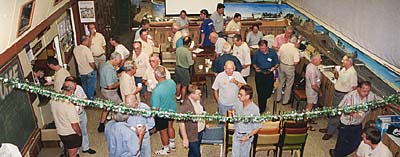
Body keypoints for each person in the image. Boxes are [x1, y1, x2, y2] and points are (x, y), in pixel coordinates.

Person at [331, 81, 381, 157]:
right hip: (346, 124)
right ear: (358, 89)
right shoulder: (349, 96)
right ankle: (337, 154)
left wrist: (396, 106)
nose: (366, 93)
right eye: (364, 91)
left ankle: (339, 153)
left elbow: (383, 101)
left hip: (358, 124)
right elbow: (340, 109)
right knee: (341, 143)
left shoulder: (371, 95)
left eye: (368, 91)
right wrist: (352, 113)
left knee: (356, 143)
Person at [320, 55, 358, 140]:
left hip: (343, 95)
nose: (342, 61)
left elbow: (354, 88)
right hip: (337, 92)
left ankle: (330, 132)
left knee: (336, 113)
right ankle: (328, 128)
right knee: (332, 111)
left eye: (344, 60)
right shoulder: (344, 69)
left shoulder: (352, 73)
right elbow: (338, 78)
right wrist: (336, 73)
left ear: (349, 62)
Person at [64, 76, 96, 154]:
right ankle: (76, 152)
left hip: (81, 113)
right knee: (75, 134)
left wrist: (83, 103)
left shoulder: (79, 88)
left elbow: (85, 98)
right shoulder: (64, 93)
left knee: (84, 131)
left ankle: (86, 147)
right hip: (72, 117)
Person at [50, 80, 81, 157]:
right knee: (72, 154)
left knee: (68, 150)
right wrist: (79, 133)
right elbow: (74, 125)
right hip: (71, 134)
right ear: (71, 90)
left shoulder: (54, 99)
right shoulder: (69, 105)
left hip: (61, 131)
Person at [150, 66, 177, 155]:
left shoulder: (156, 91)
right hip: (172, 109)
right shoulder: (172, 82)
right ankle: (172, 144)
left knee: (163, 131)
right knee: (170, 126)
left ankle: (166, 148)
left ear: (156, 76)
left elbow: (155, 108)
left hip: (162, 114)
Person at [232, 85, 261, 157]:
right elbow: (233, 109)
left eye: (241, 95)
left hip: (246, 137)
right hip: (236, 134)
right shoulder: (238, 102)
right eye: (239, 94)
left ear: (247, 97)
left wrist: (247, 136)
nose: (238, 96)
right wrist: (232, 113)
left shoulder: (254, 109)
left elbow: (257, 127)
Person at [178, 85, 206, 157]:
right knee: (197, 154)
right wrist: (185, 138)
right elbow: (181, 123)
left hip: (199, 131)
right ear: (191, 94)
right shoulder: (185, 106)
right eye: (198, 94)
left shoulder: (198, 100)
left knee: (192, 152)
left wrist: (205, 123)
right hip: (191, 134)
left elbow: (203, 112)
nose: (200, 95)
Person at [98, 52, 123, 132]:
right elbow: (110, 85)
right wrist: (120, 82)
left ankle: (101, 125)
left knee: (107, 108)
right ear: (115, 60)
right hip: (110, 92)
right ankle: (117, 126)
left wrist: (117, 76)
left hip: (104, 90)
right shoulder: (109, 69)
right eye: (118, 61)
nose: (119, 63)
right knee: (119, 107)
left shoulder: (106, 65)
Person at [252, 40, 279, 113]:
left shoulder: (272, 52)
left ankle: (265, 97)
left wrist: (274, 68)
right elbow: (254, 63)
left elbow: (277, 62)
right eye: (261, 48)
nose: (262, 50)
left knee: (268, 91)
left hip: (269, 73)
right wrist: (255, 67)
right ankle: (261, 108)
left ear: (267, 46)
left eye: (263, 48)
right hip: (260, 74)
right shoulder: (257, 53)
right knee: (260, 92)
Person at [276, 35, 300, 105]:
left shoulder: (283, 46)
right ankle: (285, 101)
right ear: (295, 42)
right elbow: (296, 62)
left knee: (280, 82)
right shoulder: (295, 50)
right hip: (290, 67)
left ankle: (278, 98)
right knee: (289, 84)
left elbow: (278, 55)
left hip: (282, 65)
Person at [73, 35, 97, 100]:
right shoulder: (86, 50)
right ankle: (91, 100)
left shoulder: (75, 49)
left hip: (82, 72)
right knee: (91, 87)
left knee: (85, 87)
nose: (89, 42)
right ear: (85, 41)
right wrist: (95, 68)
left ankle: (85, 99)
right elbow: (91, 62)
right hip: (89, 71)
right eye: (88, 41)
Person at [305, 54, 322, 131]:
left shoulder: (311, 66)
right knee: (309, 107)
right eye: (319, 59)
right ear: (314, 60)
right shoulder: (312, 70)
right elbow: (313, 85)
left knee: (310, 106)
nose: (321, 60)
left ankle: (309, 119)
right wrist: (320, 91)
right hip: (312, 91)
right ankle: (306, 124)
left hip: (312, 91)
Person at [175, 36, 195, 103]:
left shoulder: (178, 49)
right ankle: (182, 100)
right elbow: (190, 63)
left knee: (178, 83)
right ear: (189, 43)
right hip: (184, 70)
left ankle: (177, 96)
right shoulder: (187, 52)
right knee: (184, 86)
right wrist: (193, 58)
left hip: (177, 68)